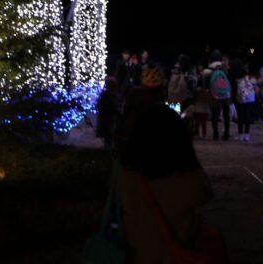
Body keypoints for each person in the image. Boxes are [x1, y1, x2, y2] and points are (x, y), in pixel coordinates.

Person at [119, 104, 226, 263]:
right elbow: (206, 193)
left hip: (139, 254)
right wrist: (190, 155)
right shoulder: (186, 180)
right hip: (176, 253)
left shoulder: (126, 174)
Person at [203, 50, 232, 141]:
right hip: (226, 94)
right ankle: (226, 133)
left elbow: (206, 83)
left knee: (215, 114)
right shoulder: (225, 68)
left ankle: (215, 134)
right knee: (226, 114)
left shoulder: (209, 69)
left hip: (214, 94)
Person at [95, 76, 119, 151]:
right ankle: (108, 149)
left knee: (109, 135)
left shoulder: (109, 95)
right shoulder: (107, 95)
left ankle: (108, 148)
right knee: (109, 135)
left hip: (108, 118)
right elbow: (103, 106)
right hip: (107, 118)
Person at [236, 66, 258, 142]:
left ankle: (240, 134)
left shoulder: (240, 81)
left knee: (241, 117)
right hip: (250, 100)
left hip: (242, 100)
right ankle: (247, 134)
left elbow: (240, 91)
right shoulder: (250, 80)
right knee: (247, 116)